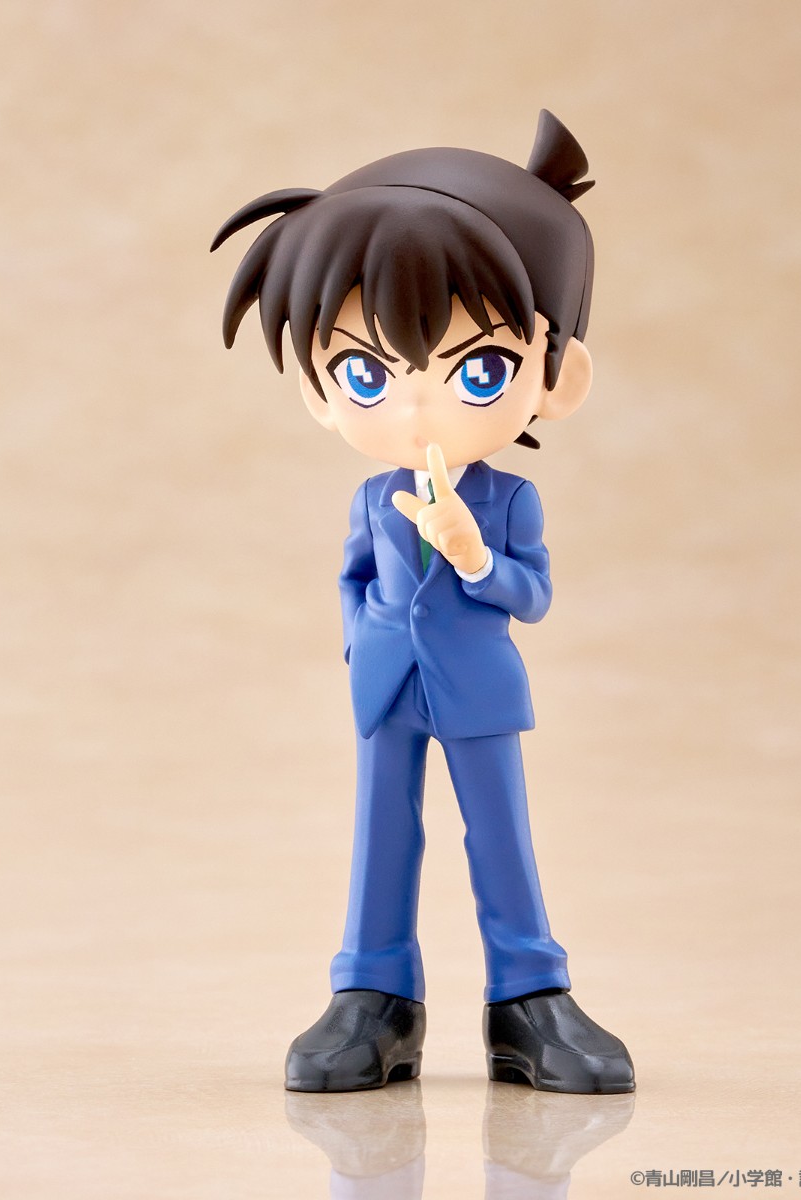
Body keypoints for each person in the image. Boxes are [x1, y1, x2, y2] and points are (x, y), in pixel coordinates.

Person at [211, 110, 635, 1094]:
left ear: (558, 376)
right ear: (319, 390)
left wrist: (475, 557)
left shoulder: (508, 499)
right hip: (387, 686)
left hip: (479, 686)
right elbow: (353, 575)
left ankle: (530, 997)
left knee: (501, 836)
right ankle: (373, 995)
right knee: (381, 838)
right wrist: (360, 645)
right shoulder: (371, 497)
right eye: (363, 371)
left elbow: (533, 595)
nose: (413, 406)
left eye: (478, 369)